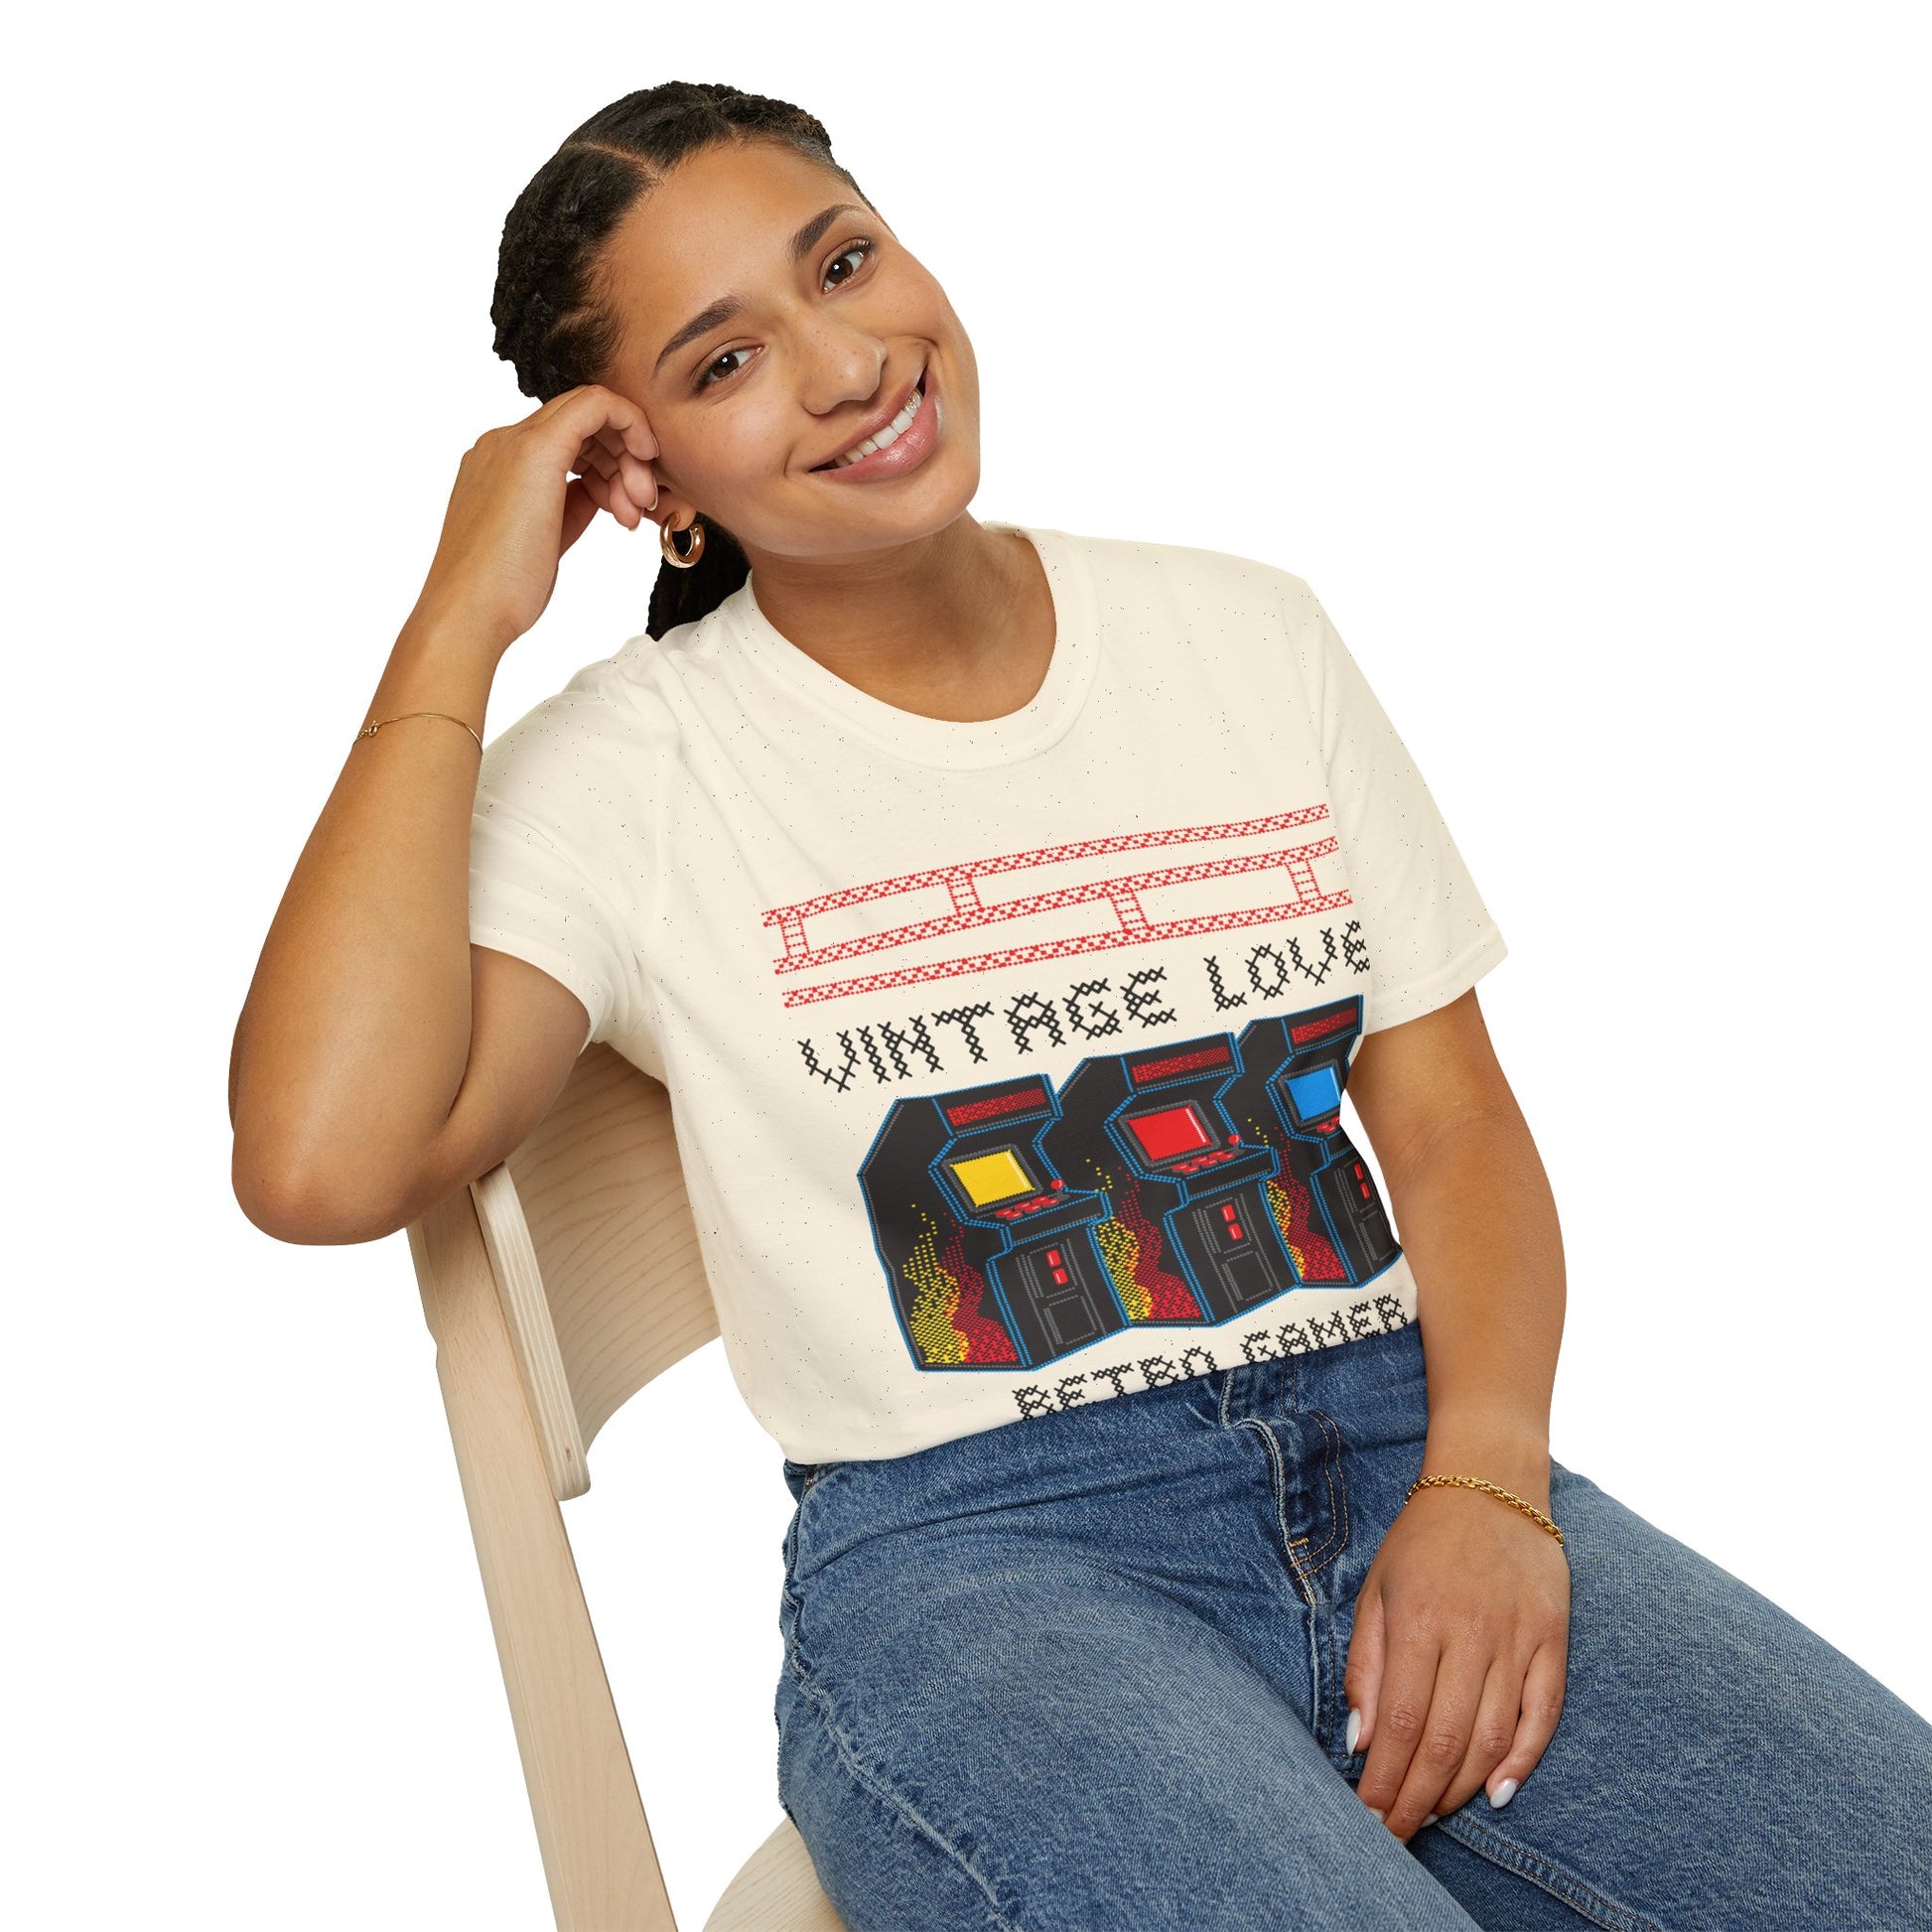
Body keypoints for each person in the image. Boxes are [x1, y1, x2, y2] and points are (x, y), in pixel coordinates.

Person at [228, 81, 1932, 1931]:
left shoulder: (1244, 637)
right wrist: (455, 619)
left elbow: (1447, 1124)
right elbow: (321, 1159)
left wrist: (1490, 1484)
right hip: (983, 1563)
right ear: (647, 480)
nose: (847, 362)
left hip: (1401, 1440)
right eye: (725, 362)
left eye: (846, 262)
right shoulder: (634, 771)